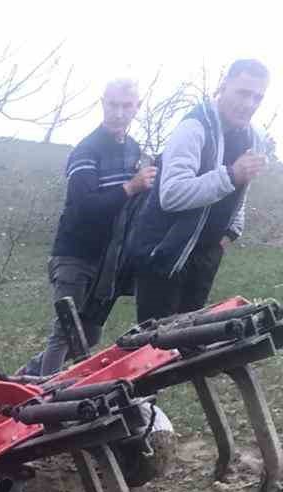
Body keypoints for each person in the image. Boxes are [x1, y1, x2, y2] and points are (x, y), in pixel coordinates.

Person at [32, 79, 157, 376]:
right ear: (103, 103)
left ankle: (26, 379)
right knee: (66, 333)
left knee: (90, 335)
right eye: (113, 105)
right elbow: (83, 206)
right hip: (75, 254)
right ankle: (40, 403)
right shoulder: (87, 149)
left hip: (108, 262)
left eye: (127, 106)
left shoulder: (134, 149)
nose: (119, 112)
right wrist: (131, 187)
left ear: (136, 107)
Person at [130, 61, 270, 323]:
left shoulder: (253, 137)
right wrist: (230, 175)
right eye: (242, 92)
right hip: (164, 254)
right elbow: (171, 194)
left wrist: (231, 232)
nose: (250, 104)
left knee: (192, 342)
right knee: (156, 347)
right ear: (223, 86)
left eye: (257, 97)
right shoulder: (194, 127)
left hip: (204, 256)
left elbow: (241, 191)